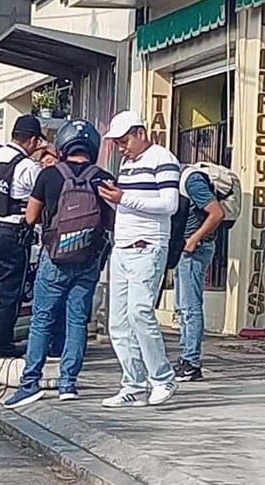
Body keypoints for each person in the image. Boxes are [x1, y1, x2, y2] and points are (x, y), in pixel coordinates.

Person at [4, 119, 114, 408]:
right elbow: (110, 220)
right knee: (77, 320)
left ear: (63, 145)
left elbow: (31, 217)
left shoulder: (49, 176)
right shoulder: (103, 177)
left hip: (54, 258)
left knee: (42, 321)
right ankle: (68, 384)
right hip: (88, 260)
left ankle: (30, 384)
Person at [97, 110, 180, 407]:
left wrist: (123, 199)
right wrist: (113, 199)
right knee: (118, 322)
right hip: (122, 246)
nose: (122, 147)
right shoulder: (126, 164)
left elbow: (169, 205)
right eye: (118, 143)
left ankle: (162, 378)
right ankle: (132, 383)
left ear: (141, 133)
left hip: (147, 245)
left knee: (139, 313)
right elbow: (127, 203)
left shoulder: (163, 159)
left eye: (125, 140)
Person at [0, 115, 44, 370]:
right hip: (12, 233)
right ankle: (1, 348)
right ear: (33, 140)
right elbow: (39, 198)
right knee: (8, 295)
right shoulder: (28, 167)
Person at [174, 169, 225, 382]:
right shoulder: (182, 179)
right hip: (185, 249)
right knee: (183, 306)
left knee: (190, 307)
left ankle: (191, 362)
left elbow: (217, 213)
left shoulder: (191, 180)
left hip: (194, 250)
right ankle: (186, 358)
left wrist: (194, 239)